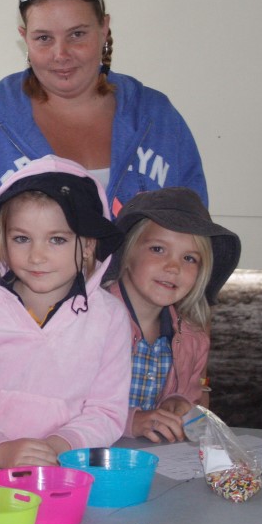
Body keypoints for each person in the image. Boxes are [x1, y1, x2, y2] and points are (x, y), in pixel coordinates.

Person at [0, 0, 208, 330]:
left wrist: (192, 370)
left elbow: (196, 247)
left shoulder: (156, 118)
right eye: (44, 38)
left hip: (139, 345)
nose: (61, 54)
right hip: (22, 343)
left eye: (77, 34)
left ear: (105, 29)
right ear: (24, 38)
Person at [0, 155, 131, 487]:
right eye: (22, 239)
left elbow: (106, 411)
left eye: (57, 239)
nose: (37, 256)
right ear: (2, 241)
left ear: (88, 246)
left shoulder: (110, 319)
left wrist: (62, 446)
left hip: (65, 478)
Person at [103, 187, 241, 442]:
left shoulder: (191, 336)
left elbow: (192, 395)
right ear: (127, 252)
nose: (173, 266)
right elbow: (66, 404)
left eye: (189, 258)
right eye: (158, 249)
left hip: (151, 462)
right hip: (84, 461)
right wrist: (130, 421)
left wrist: (176, 402)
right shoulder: (89, 322)